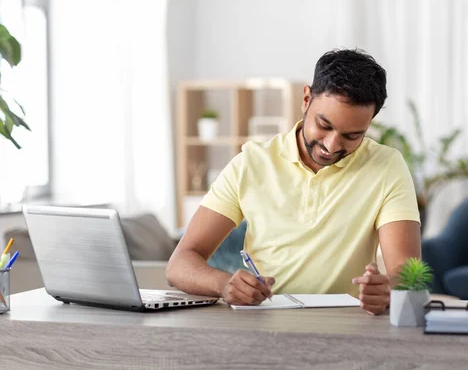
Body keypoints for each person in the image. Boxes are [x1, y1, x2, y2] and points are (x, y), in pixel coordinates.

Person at [166, 48, 421, 316]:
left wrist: (391, 292)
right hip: (262, 325)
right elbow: (180, 264)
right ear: (306, 99)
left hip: (347, 327)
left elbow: (408, 276)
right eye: (324, 125)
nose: (331, 145)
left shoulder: (386, 166)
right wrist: (225, 284)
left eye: (352, 135)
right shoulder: (251, 163)